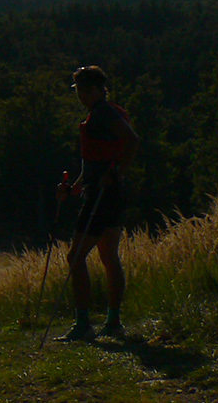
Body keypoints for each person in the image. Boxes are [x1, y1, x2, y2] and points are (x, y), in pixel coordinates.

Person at [56, 65, 139, 341]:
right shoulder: (104, 112)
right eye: (78, 90)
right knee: (108, 257)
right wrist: (75, 188)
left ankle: (83, 325)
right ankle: (113, 322)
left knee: (75, 257)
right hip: (110, 193)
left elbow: (132, 140)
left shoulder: (103, 113)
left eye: (85, 90)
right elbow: (96, 161)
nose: (81, 95)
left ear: (98, 90)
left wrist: (116, 173)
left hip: (102, 196)